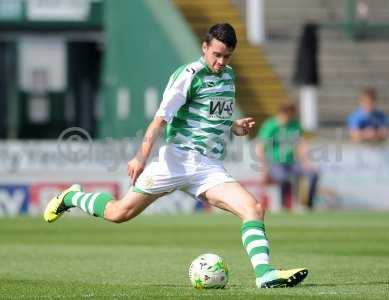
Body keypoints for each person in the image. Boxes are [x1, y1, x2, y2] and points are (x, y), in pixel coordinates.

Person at [44, 23, 308, 288]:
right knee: (118, 213)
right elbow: (159, 121)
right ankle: (71, 196)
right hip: (175, 162)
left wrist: (235, 127)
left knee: (254, 208)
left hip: (208, 168)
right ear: (204, 47)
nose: (220, 61)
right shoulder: (188, 75)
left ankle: (265, 274)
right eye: (216, 54)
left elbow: (212, 118)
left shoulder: (228, 76)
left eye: (226, 56)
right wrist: (140, 157)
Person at [256, 102, 319, 210]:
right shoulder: (271, 126)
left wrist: (307, 163)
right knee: (283, 177)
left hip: (292, 162)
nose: (289, 117)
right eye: (287, 114)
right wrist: (264, 169)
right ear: (281, 113)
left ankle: (308, 206)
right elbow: (260, 148)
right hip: (275, 163)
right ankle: (284, 206)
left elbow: (301, 145)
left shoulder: (295, 125)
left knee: (312, 174)